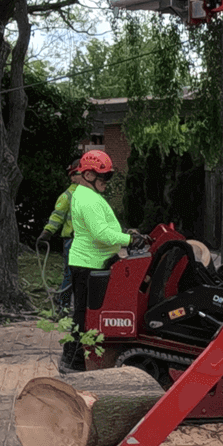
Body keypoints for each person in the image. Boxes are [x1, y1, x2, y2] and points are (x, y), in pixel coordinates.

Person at [59, 149, 133, 373]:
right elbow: (101, 233)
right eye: (105, 176)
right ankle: (73, 362)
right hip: (88, 264)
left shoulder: (87, 195)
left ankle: (73, 360)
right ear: (89, 175)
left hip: (91, 261)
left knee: (84, 312)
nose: (107, 182)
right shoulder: (88, 199)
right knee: (84, 315)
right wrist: (130, 239)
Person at [38, 160, 82, 310]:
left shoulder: (91, 194)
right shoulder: (67, 196)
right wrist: (48, 231)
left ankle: (79, 306)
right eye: (76, 174)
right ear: (72, 177)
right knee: (70, 274)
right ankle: (63, 306)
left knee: (84, 274)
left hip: (86, 241)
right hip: (72, 240)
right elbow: (57, 216)